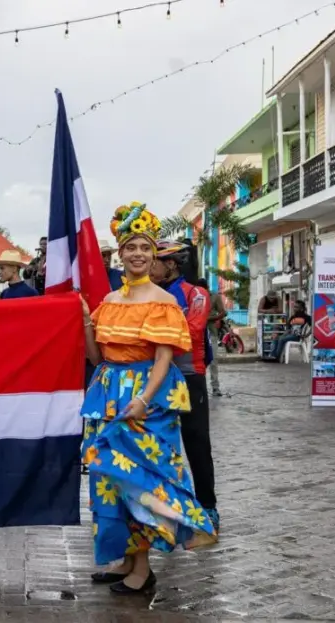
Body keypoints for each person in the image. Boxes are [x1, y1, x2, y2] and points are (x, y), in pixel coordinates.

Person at [81, 202, 216, 595]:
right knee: (109, 481)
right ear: (120, 254)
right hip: (108, 395)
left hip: (146, 402)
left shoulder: (163, 301)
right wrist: (85, 320)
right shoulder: (109, 301)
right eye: (131, 247)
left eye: (145, 247)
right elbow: (97, 358)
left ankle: (142, 569)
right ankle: (124, 559)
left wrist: (143, 399)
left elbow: (163, 359)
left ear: (154, 255)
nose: (137, 254)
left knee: (139, 479)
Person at [150, 240, 218, 531]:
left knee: (196, 442)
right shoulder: (145, 293)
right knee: (158, 444)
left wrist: (151, 337)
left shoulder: (196, 294)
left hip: (189, 376)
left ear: (171, 264)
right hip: (153, 377)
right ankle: (163, 507)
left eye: (154, 262)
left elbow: (191, 331)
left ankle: (208, 506)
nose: (148, 266)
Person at [199, 278, 225, 397]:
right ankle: (201, 387)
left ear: (207, 288)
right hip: (198, 333)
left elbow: (223, 312)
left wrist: (210, 318)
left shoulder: (215, 297)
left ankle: (215, 387)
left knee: (213, 361)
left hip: (211, 332)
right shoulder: (195, 296)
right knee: (199, 362)